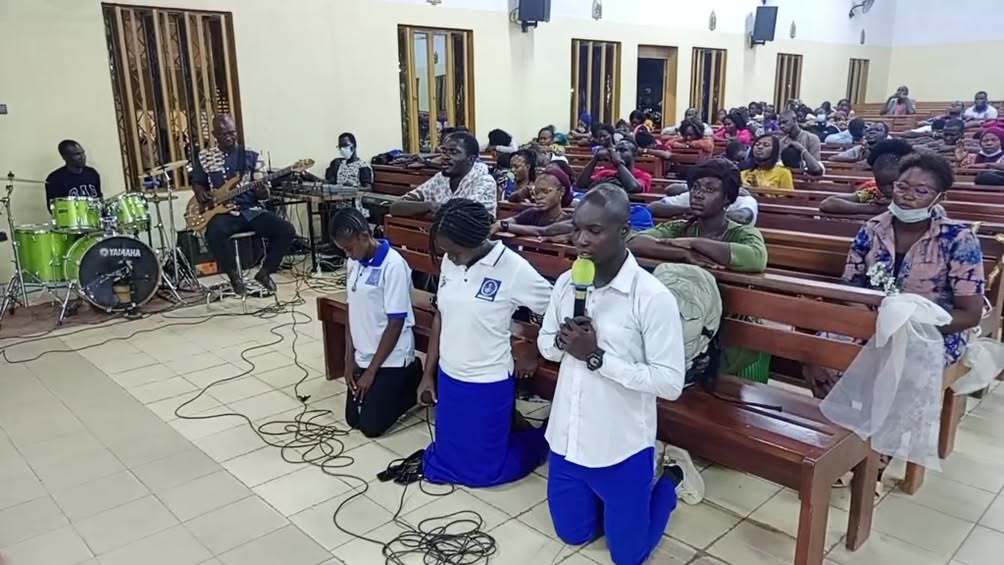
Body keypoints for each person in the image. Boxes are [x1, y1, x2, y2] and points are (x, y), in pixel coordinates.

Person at [537, 184, 701, 565]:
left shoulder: (651, 296)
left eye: (594, 231)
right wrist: (562, 341)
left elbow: (669, 383)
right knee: (573, 533)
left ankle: (671, 478)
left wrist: (596, 357)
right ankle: (605, 503)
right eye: (577, 228)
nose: (580, 240)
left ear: (624, 231)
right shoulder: (567, 283)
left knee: (627, 556)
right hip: (568, 437)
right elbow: (545, 345)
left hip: (620, 445)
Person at [808, 152, 985, 398]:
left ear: (940, 197)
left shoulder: (958, 239)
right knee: (819, 353)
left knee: (901, 371)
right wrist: (874, 322)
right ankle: (840, 418)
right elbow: (850, 286)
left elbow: (970, 314)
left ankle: (888, 421)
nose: (908, 196)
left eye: (921, 191)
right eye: (902, 187)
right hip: (872, 322)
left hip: (931, 332)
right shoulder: (873, 229)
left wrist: (906, 328)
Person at [417, 199, 552, 487]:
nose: (450, 259)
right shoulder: (451, 260)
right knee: (447, 459)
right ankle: (511, 426)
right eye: (446, 252)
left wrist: (533, 347)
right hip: (450, 376)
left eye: (455, 252)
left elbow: (556, 309)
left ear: (478, 241)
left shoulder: (513, 268)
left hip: (486, 380)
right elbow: (441, 314)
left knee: (482, 472)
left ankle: (542, 438)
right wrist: (428, 373)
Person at [330, 208, 422, 438]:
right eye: (344, 250)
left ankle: (412, 375)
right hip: (365, 354)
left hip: (392, 357)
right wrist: (349, 360)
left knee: (371, 427)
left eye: (349, 249)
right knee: (353, 420)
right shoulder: (354, 262)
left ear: (364, 236)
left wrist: (371, 372)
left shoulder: (393, 265)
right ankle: (385, 385)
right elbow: (352, 311)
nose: (348, 255)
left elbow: (396, 322)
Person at [191, 114, 296, 294]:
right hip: (222, 213)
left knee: (286, 230)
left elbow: (264, 194)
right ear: (215, 135)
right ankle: (234, 276)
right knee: (213, 233)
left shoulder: (251, 155)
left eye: (232, 132)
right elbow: (198, 182)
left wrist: (262, 191)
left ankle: (265, 272)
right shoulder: (204, 157)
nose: (229, 137)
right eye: (223, 134)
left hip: (251, 210)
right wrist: (199, 191)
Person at [629, 160, 768, 272]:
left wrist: (694, 243)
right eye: (695, 187)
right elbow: (633, 242)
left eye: (709, 189)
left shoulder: (743, 233)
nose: (698, 195)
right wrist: (683, 254)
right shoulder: (680, 227)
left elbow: (757, 258)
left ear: (726, 197)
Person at [390, 132, 497, 218]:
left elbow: (462, 217)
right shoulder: (440, 178)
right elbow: (396, 207)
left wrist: (430, 210)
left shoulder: (484, 181)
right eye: (444, 151)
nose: (445, 157)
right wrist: (429, 205)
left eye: (453, 152)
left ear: (471, 159)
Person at [819, 139, 914, 215]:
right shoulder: (872, 193)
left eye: (892, 184)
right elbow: (827, 203)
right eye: (881, 183)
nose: (887, 189)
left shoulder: (915, 197)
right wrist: (873, 208)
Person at [493, 166, 573, 236]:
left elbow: (543, 230)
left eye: (545, 192)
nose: (539, 197)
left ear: (562, 191)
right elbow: (505, 222)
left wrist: (504, 226)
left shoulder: (569, 220)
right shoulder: (532, 214)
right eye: (536, 193)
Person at [576, 138, 652, 193]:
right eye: (616, 150)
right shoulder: (606, 173)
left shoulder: (643, 176)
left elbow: (632, 187)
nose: (617, 154)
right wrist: (595, 158)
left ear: (634, 155)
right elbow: (581, 184)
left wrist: (619, 163)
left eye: (622, 150)